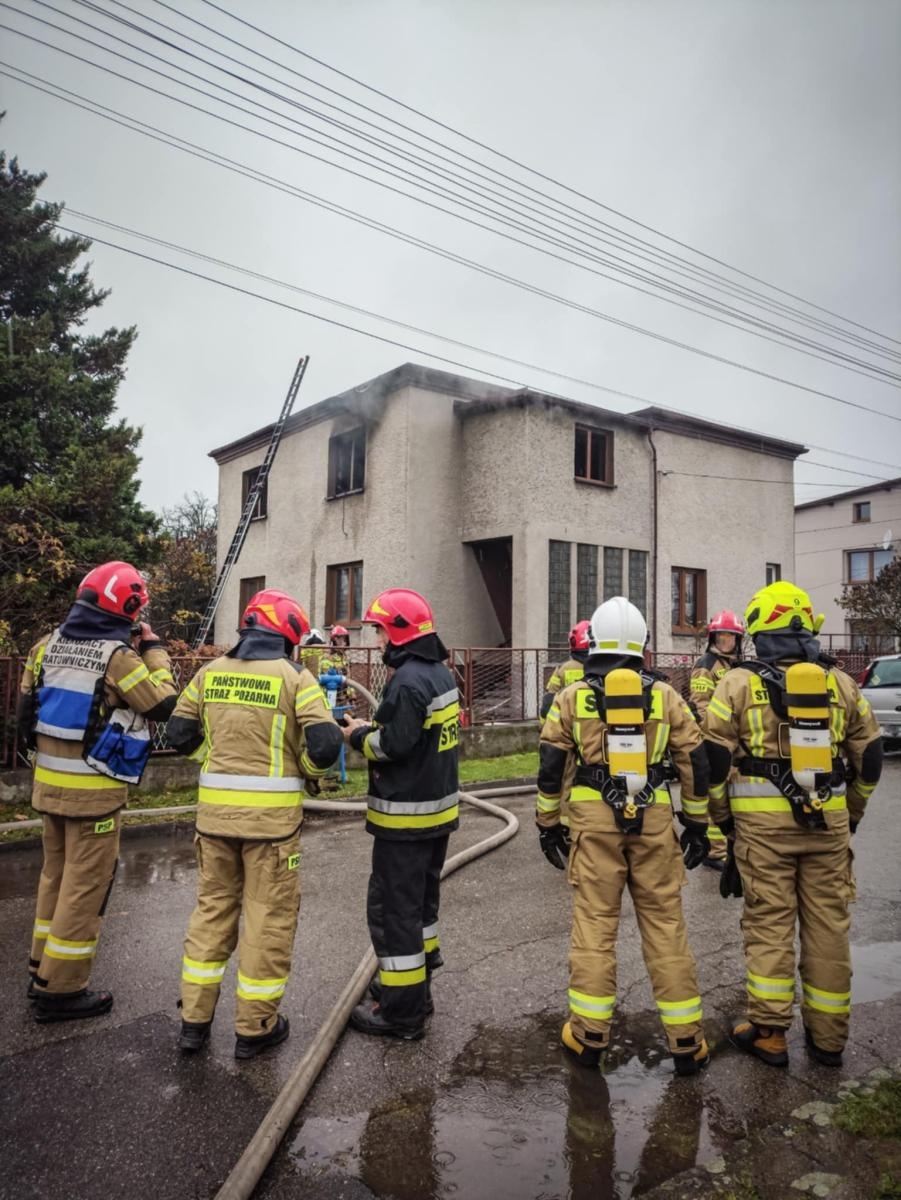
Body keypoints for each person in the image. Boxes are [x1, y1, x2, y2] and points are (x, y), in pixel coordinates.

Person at [704, 581, 883, 1069]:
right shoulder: (841, 684)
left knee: (769, 925)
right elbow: (869, 758)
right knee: (829, 927)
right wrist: (851, 815)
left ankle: (769, 1033)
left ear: (760, 631)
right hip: (829, 827)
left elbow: (713, 762)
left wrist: (722, 822)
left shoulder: (736, 684)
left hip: (761, 834)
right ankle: (828, 1040)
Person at [537, 596, 711, 1076]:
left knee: (595, 926)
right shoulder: (666, 696)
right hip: (654, 820)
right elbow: (694, 762)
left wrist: (547, 825)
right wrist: (696, 824)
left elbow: (553, 767)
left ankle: (589, 1036)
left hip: (593, 824)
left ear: (593, 642)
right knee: (666, 927)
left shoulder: (572, 697)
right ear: (642, 644)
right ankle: (686, 1041)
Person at [167, 588, 342, 1059]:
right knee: (267, 921)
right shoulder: (295, 677)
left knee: (211, 915)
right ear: (286, 633)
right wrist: (305, 771)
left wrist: (214, 762)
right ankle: (255, 1028)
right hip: (271, 830)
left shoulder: (210, 672)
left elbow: (178, 733)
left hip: (214, 822)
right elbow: (325, 746)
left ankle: (193, 1023)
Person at [18, 561, 178, 1022]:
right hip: (94, 797)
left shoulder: (44, 646)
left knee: (55, 878)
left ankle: (40, 969)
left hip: (49, 788)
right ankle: (62, 990)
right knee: (84, 890)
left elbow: (26, 712)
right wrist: (155, 650)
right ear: (127, 608)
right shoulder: (118, 657)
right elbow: (162, 703)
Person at [342, 588, 459, 1040]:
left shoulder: (408, 681)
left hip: (405, 820)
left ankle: (402, 1013)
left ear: (398, 631)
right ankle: (415, 988)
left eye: (379, 629)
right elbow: (418, 737)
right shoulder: (437, 675)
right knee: (422, 909)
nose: (377, 638)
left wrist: (356, 736)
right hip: (435, 816)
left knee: (394, 914)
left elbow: (392, 746)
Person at [689, 610, 744, 868]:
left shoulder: (737, 664)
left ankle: (732, 845)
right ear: (713, 637)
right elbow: (701, 705)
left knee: (737, 792)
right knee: (717, 792)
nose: (726, 641)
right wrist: (713, 735)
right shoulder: (706, 666)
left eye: (731, 637)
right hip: (717, 738)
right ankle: (715, 851)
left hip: (737, 738)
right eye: (722, 636)